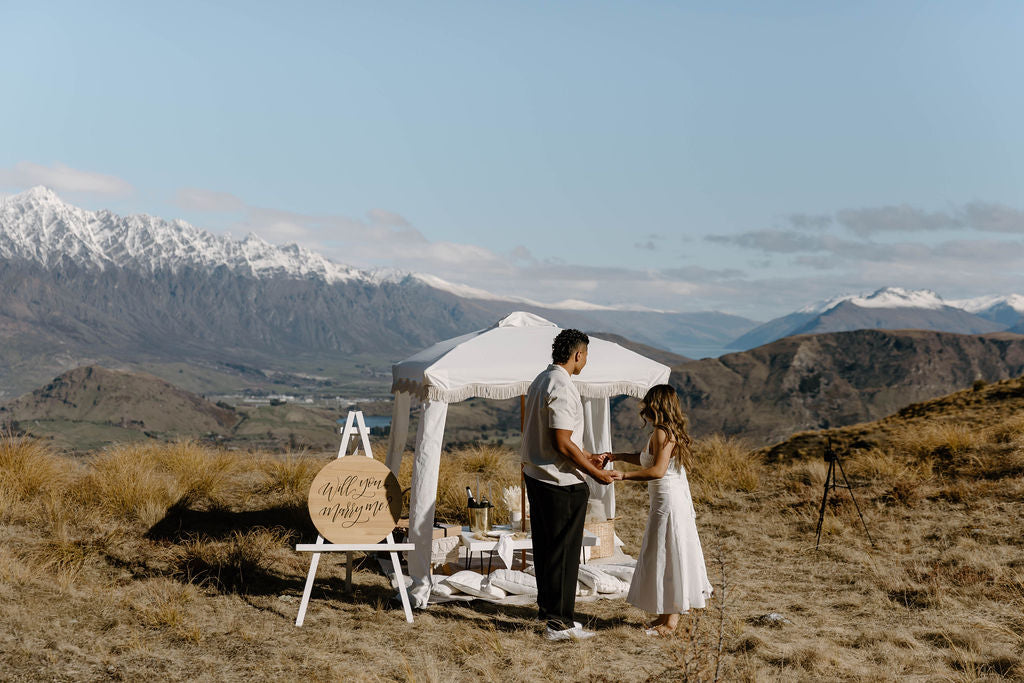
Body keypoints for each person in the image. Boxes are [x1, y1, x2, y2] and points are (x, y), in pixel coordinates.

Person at [521, 328, 620, 641]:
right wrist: (595, 473)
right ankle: (560, 623)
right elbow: (562, 443)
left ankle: (548, 612)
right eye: (586, 355)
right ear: (578, 354)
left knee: (547, 548)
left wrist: (587, 454)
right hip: (559, 482)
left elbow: (558, 439)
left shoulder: (541, 379)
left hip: (537, 476)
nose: (586, 360)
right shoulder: (563, 386)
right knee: (564, 552)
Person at [606, 384, 712, 636]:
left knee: (669, 553)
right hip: (664, 501)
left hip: (668, 503)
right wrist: (615, 455)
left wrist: (621, 476)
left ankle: (671, 621)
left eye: (647, 403)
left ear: (656, 405)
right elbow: (646, 459)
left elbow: (657, 471)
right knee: (663, 552)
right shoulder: (662, 432)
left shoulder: (663, 433)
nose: (643, 407)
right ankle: (665, 615)